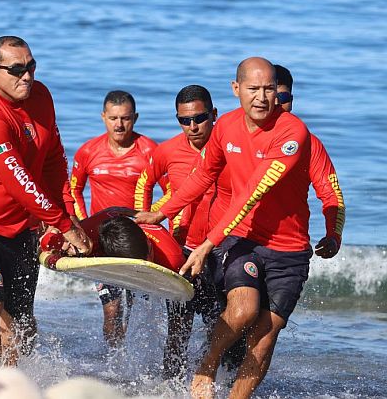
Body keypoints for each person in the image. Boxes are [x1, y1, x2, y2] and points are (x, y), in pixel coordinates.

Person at [136, 57, 343, 399]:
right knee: (243, 309)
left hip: (288, 251)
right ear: (236, 90)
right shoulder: (227, 127)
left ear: (278, 93)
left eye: (269, 90)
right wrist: (161, 214)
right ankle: (207, 364)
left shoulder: (295, 135)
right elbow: (203, 175)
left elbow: (260, 192)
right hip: (243, 239)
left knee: (263, 339)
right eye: (253, 89)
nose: (261, 97)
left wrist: (334, 232)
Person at [0, 36, 91, 374]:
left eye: (31, 67)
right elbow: (20, 182)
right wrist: (64, 225)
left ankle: (13, 380)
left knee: (21, 318)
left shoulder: (41, 96)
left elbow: (52, 156)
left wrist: (63, 213)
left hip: (21, 221)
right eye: (17, 69)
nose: (27, 76)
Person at [134, 85, 231, 378]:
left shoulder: (230, 150)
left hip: (223, 248)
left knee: (222, 323)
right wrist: (149, 231)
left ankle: (213, 378)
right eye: (184, 120)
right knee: (179, 322)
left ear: (214, 114)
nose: (192, 127)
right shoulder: (167, 151)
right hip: (185, 249)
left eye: (199, 118)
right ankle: (170, 384)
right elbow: (144, 182)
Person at [67, 90, 160, 347]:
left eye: (126, 118)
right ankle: (114, 363)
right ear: (103, 117)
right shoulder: (88, 151)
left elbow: (174, 190)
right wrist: (84, 226)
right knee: (111, 310)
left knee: (137, 310)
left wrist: (156, 220)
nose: (119, 124)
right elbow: (73, 190)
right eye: (113, 118)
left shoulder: (150, 151)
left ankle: (135, 361)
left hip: (137, 240)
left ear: (135, 118)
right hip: (103, 242)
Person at [274, 64, 345, 256]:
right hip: (241, 243)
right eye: (271, 98)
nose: (277, 105)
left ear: (292, 100)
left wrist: (333, 236)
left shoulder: (309, 144)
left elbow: (332, 195)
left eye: (283, 98)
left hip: (290, 248)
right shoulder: (236, 137)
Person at [40, 207, 185, 274]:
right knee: (113, 309)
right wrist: (55, 245)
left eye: (148, 257)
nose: (147, 263)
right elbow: (44, 248)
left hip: (127, 226)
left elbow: (182, 292)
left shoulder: (172, 257)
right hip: (105, 228)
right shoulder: (88, 236)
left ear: (148, 243)